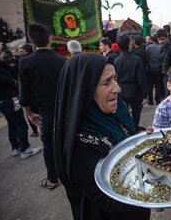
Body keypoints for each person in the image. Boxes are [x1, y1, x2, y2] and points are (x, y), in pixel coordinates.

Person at [53, 53, 151, 220]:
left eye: (115, 79)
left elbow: (124, 130)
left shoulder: (116, 107)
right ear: (84, 90)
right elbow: (108, 200)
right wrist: (156, 194)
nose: (118, 88)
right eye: (106, 82)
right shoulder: (79, 145)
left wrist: (142, 133)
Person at [19, 22, 66, 190]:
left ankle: (53, 179)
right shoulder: (62, 61)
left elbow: (24, 94)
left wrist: (29, 114)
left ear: (32, 41)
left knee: (49, 146)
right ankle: (68, 174)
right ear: (50, 39)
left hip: (46, 113)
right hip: (65, 112)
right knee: (66, 142)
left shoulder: (26, 63)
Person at [0, 56, 41, 158]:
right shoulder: (2, 70)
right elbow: (8, 81)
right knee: (21, 124)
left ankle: (15, 147)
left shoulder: (3, 66)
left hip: (4, 101)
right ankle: (25, 149)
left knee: (12, 124)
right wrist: (13, 82)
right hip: (9, 99)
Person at [115, 34, 147, 132]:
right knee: (136, 113)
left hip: (121, 91)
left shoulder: (116, 61)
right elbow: (141, 79)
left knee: (124, 113)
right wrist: (144, 95)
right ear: (129, 45)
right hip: (135, 92)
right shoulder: (136, 60)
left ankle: (128, 129)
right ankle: (135, 128)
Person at [17, 43, 39, 137]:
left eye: (21, 50)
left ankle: (35, 131)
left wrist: (27, 111)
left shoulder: (24, 61)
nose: (19, 52)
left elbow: (23, 86)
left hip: (34, 99)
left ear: (27, 50)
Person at [156, 28, 171, 97]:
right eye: (159, 40)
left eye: (162, 39)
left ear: (167, 37)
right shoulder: (162, 47)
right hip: (165, 76)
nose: (161, 41)